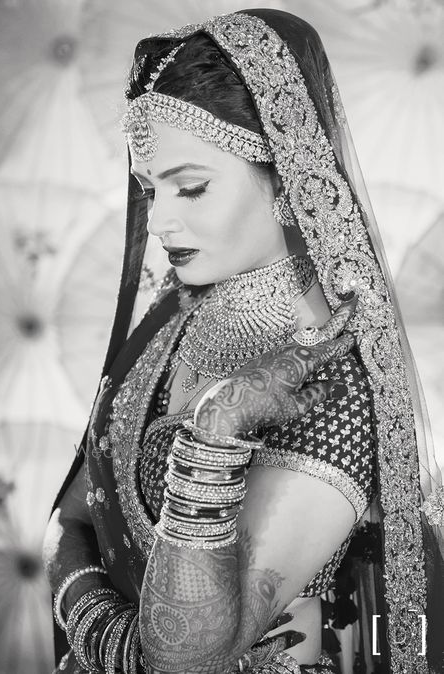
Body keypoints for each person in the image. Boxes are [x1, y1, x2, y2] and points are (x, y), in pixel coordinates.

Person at [43, 9, 444, 674]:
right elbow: (73, 514)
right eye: (149, 190)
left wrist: (218, 429)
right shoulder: (176, 318)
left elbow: (184, 658)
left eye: (191, 187)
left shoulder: (333, 384)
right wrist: (116, 640)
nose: (162, 220)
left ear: (288, 182)